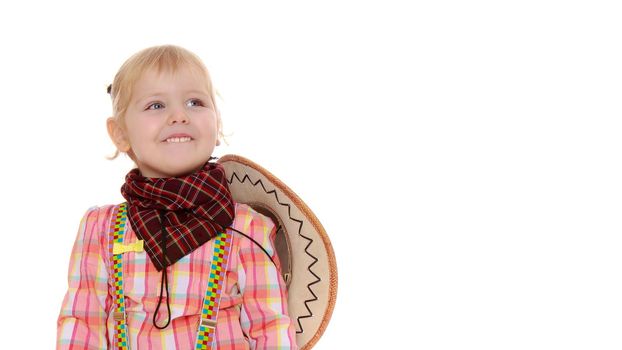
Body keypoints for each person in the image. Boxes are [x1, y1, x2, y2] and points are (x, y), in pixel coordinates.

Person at [56, 45, 297, 349]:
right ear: (120, 134)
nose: (179, 115)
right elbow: (81, 324)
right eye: (156, 105)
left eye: (195, 102)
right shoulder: (100, 228)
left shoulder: (248, 228)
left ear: (217, 123)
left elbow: (271, 328)